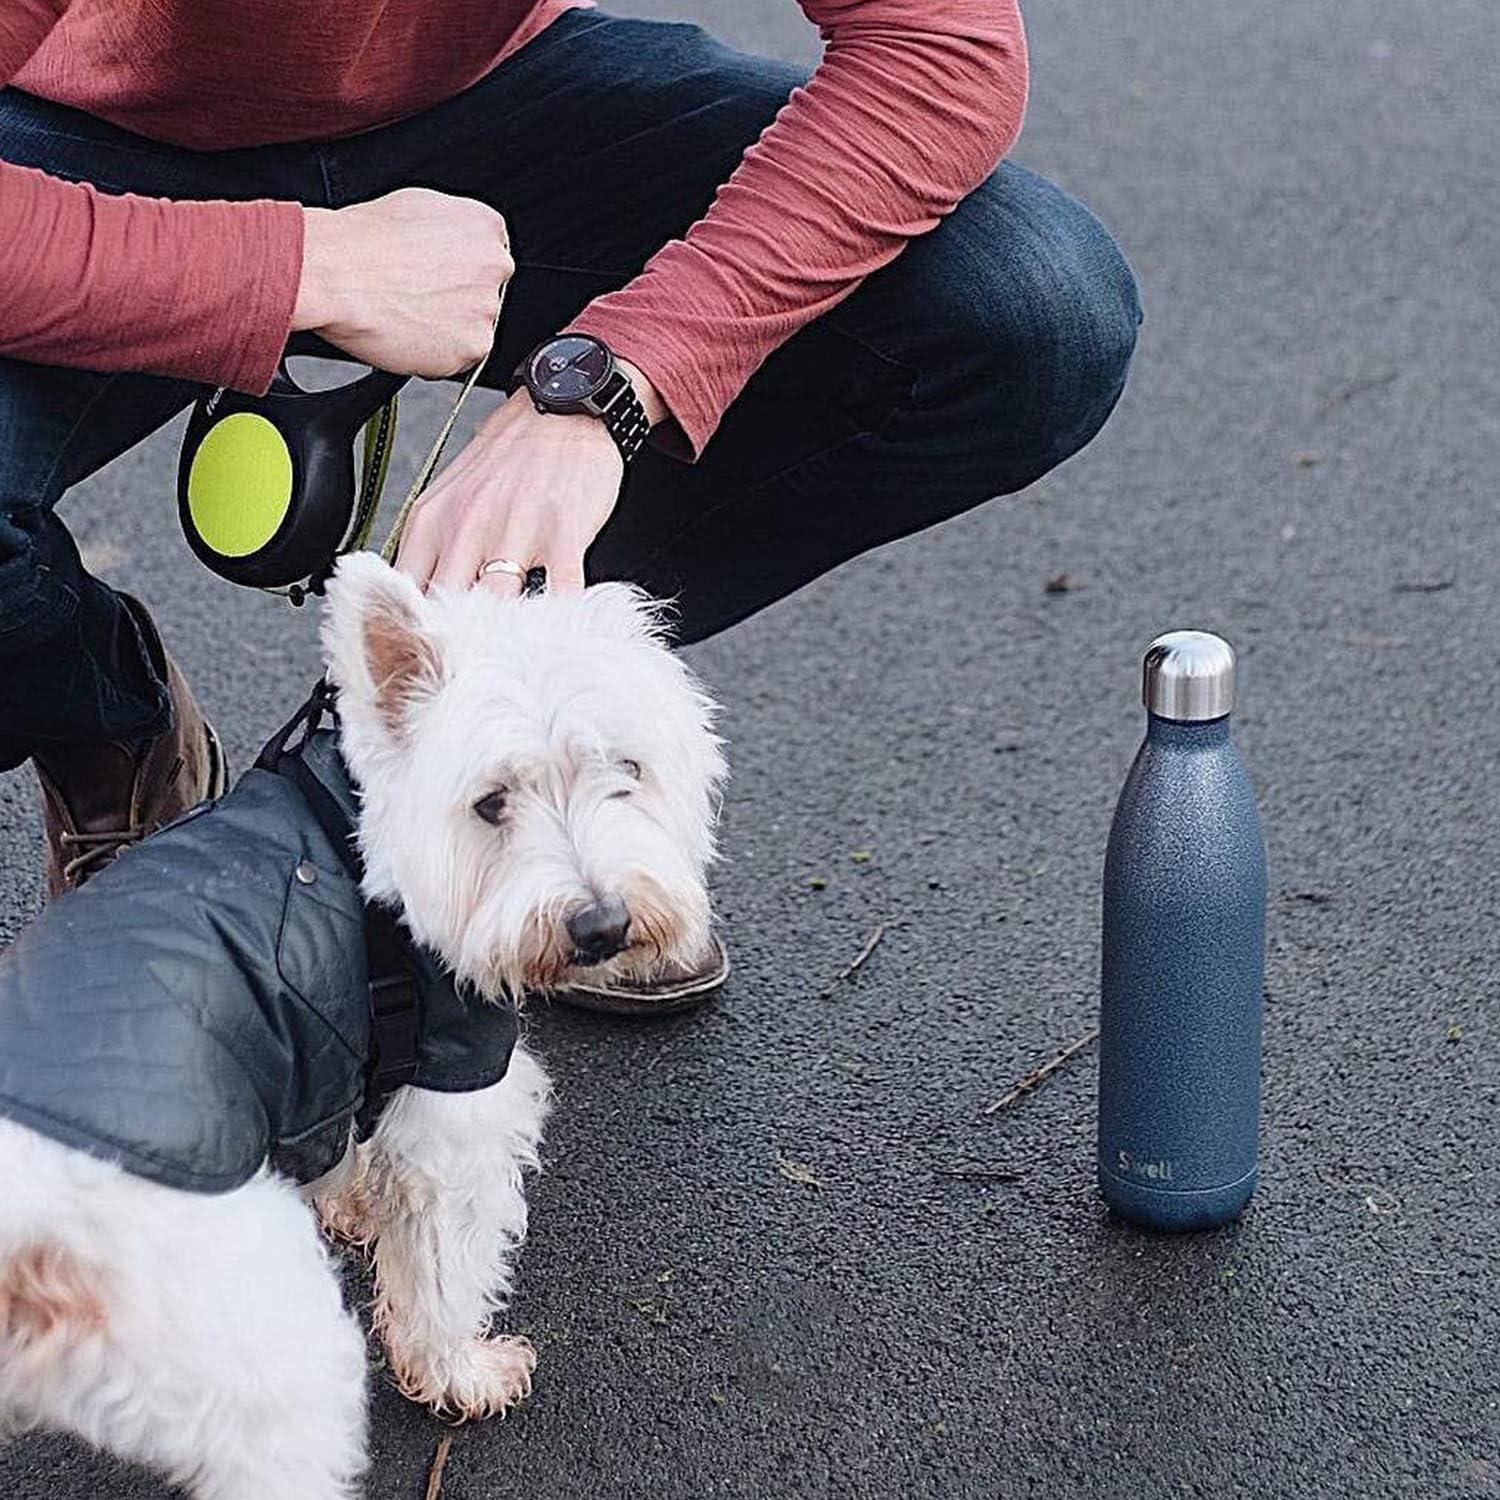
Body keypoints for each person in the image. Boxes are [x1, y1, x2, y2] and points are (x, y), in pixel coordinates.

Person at [0, 0, 1139, 1011]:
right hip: (74, 146)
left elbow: (941, 43)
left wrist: (615, 383)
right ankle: (109, 725)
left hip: (484, 100)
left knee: (1032, 311)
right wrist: (302, 268)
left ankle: (450, 795)